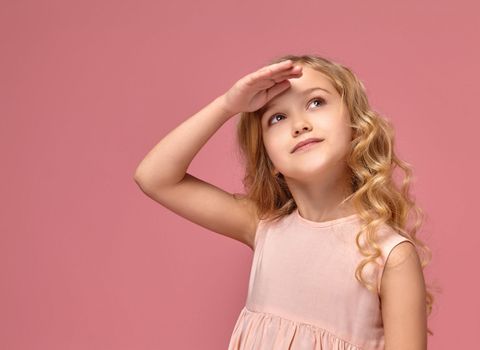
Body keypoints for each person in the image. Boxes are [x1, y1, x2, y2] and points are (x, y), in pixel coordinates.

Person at [133, 54, 435, 349]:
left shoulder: (391, 256)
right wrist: (227, 105)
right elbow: (154, 177)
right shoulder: (264, 226)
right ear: (270, 159)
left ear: (357, 128)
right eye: (277, 117)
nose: (300, 124)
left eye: (316, 102)